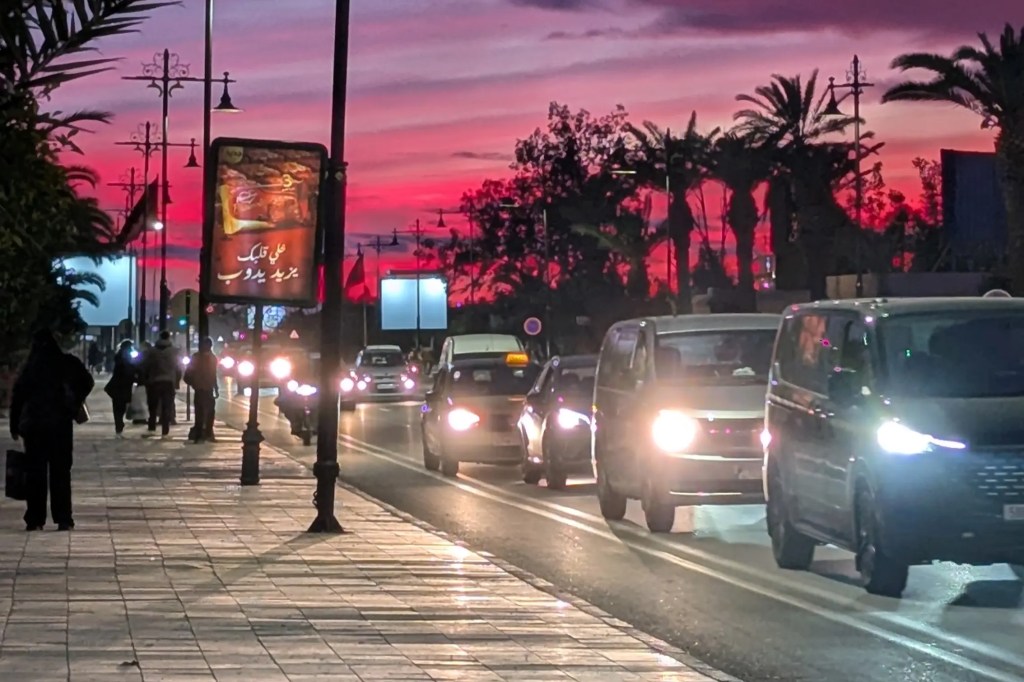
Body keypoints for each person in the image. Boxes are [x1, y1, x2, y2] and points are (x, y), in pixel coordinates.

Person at [9, 330, 94, 531]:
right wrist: (74, 401)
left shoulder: (31, 368)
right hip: (60, 425)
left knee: (36, 473)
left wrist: (14, 425)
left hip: (35, 427)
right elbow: (87, 382)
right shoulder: (67, 363)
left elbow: (18, 398)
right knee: (61, 472)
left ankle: (35, 519)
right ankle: (63, 518)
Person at [142, 331, 181, 439]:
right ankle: (165, 432)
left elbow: (145, 366)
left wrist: (146, 379)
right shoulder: (174, 351)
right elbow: (178, 368)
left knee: (152, 407)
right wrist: (176, 382)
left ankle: (152, 428)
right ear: (169, 337)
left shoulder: (152, 351)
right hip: (168, 382)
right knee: (166, 407)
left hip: (154, 382)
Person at [184, 337, 219, 443]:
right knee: (206, 412)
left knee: (203, 412)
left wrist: (194, 384)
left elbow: (213, 375)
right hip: (203, 388)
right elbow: (213, 375)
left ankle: (203, 434)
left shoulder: (198, 357)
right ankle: (205, 433)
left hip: (203, 388)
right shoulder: (210, 358)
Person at [104, 339, 137, 438]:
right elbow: (128, 371)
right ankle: (119, 427)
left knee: (118, 408)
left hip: (118, 386)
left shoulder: (120, 356)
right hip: (122, 386)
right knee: (120, 408)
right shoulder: (125, 358)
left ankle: (119, 427)